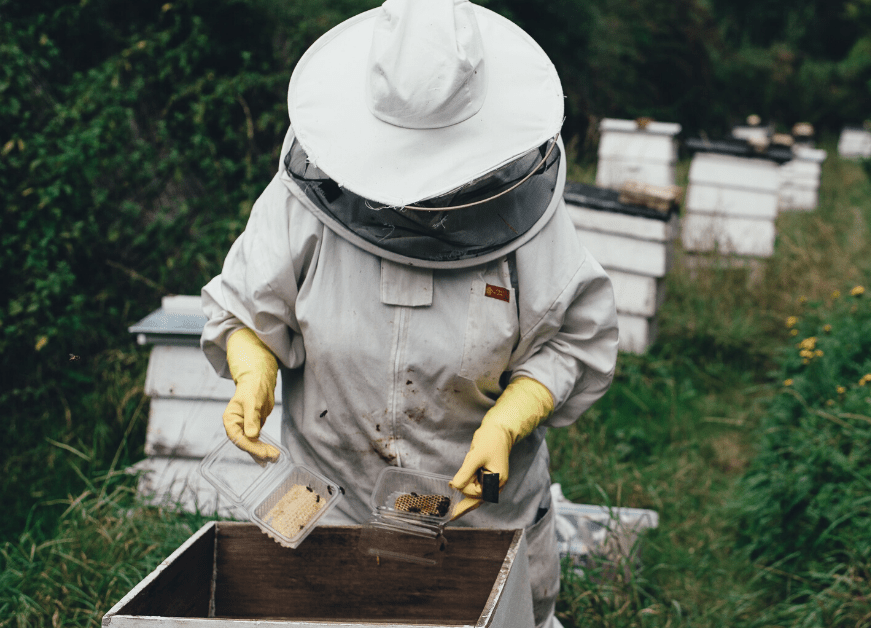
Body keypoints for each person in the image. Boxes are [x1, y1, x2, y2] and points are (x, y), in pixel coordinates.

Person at [198, 1, 619, 625]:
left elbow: (572, 342)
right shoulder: (303, 203)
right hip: (325, 513)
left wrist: (505, 422)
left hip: (478, 522)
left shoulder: (530, 219)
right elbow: (246, 307)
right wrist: (253, 370)